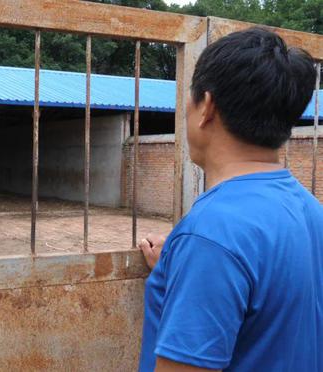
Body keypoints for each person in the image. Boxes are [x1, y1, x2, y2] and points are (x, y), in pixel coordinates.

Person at [138, 27, 322, 372]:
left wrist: (199, 253)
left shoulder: (212, 234)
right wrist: (179, 264)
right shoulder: (311, 210)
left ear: (206, 106)